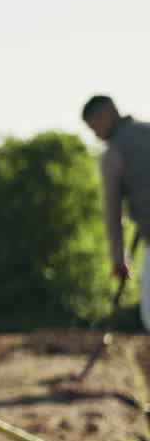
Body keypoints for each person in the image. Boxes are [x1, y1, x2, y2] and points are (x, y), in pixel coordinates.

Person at [82, 95, 150, 331]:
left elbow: (113, 212)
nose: (96, 135)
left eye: (93, 127)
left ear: (106, 115)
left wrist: (118, 258)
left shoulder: (115, 153)